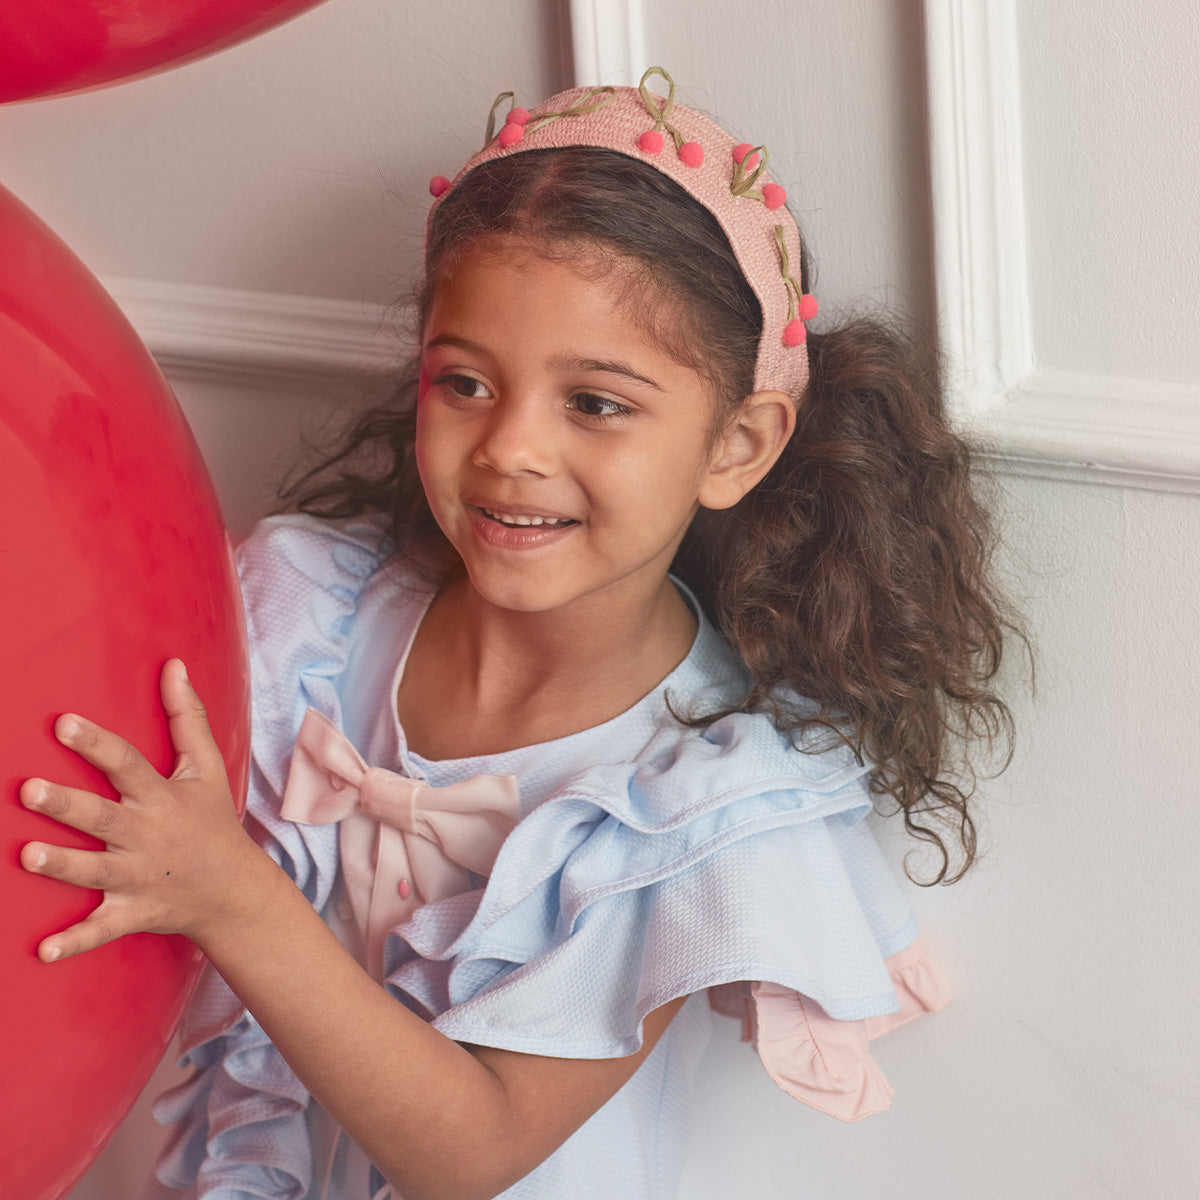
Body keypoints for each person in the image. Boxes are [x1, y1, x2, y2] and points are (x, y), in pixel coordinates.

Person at [19, 68, 1015, 1200]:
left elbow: (473, 1149)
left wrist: (229, 894)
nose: (510, 451)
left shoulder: (688, 795)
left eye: (595, 402)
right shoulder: (318, 622)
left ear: (737, 446)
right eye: (466, 383)